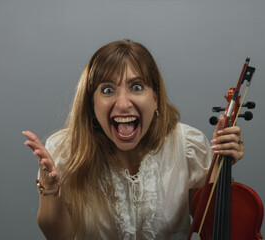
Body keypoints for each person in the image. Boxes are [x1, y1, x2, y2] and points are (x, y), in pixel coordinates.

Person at [23, 40, 244, 240]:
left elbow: (210, 227)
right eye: (107, 90)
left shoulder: (187, 145)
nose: (123, 103)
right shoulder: (65, 150)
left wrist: (220, 165)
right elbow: (58, 236)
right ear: (92, 103)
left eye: (136, 87)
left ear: (155, 99)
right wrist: (50, 189)